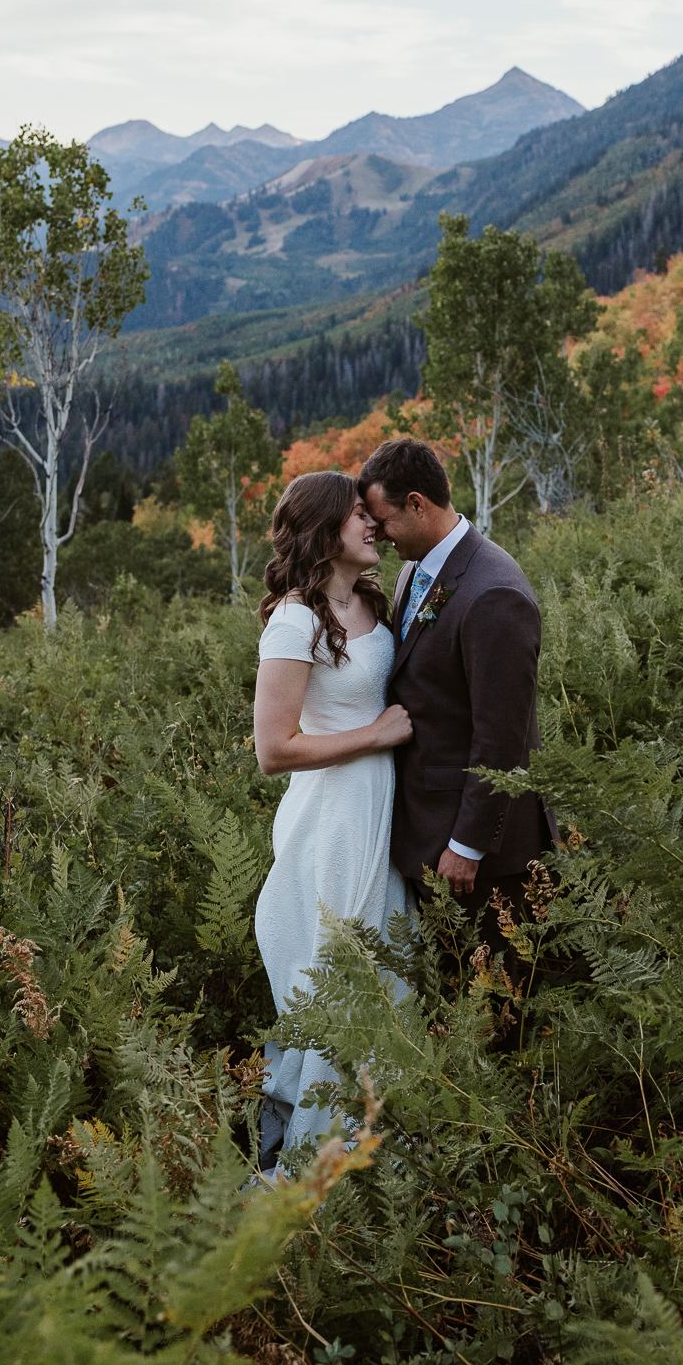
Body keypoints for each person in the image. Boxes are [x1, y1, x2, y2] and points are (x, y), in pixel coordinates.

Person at [252, 470, 413, 1168]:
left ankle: (378, 1147)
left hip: (380, 812)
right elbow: (274, 749)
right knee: (343, 976)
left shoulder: (374, 601)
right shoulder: (294, 619)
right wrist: (375, 736)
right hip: (332, 820)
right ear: (324, 529)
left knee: (389, 972)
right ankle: (320, 1161)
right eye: (357, 516)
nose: (372, 524)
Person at [356, 437, 552, 953]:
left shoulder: (494, 594)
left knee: (498, 1009)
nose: (379, 536)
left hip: (480, 855)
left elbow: (501, 740)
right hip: (427, 832)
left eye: (385, 522)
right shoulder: (414, 572)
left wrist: (466, 846)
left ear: (417, 504)